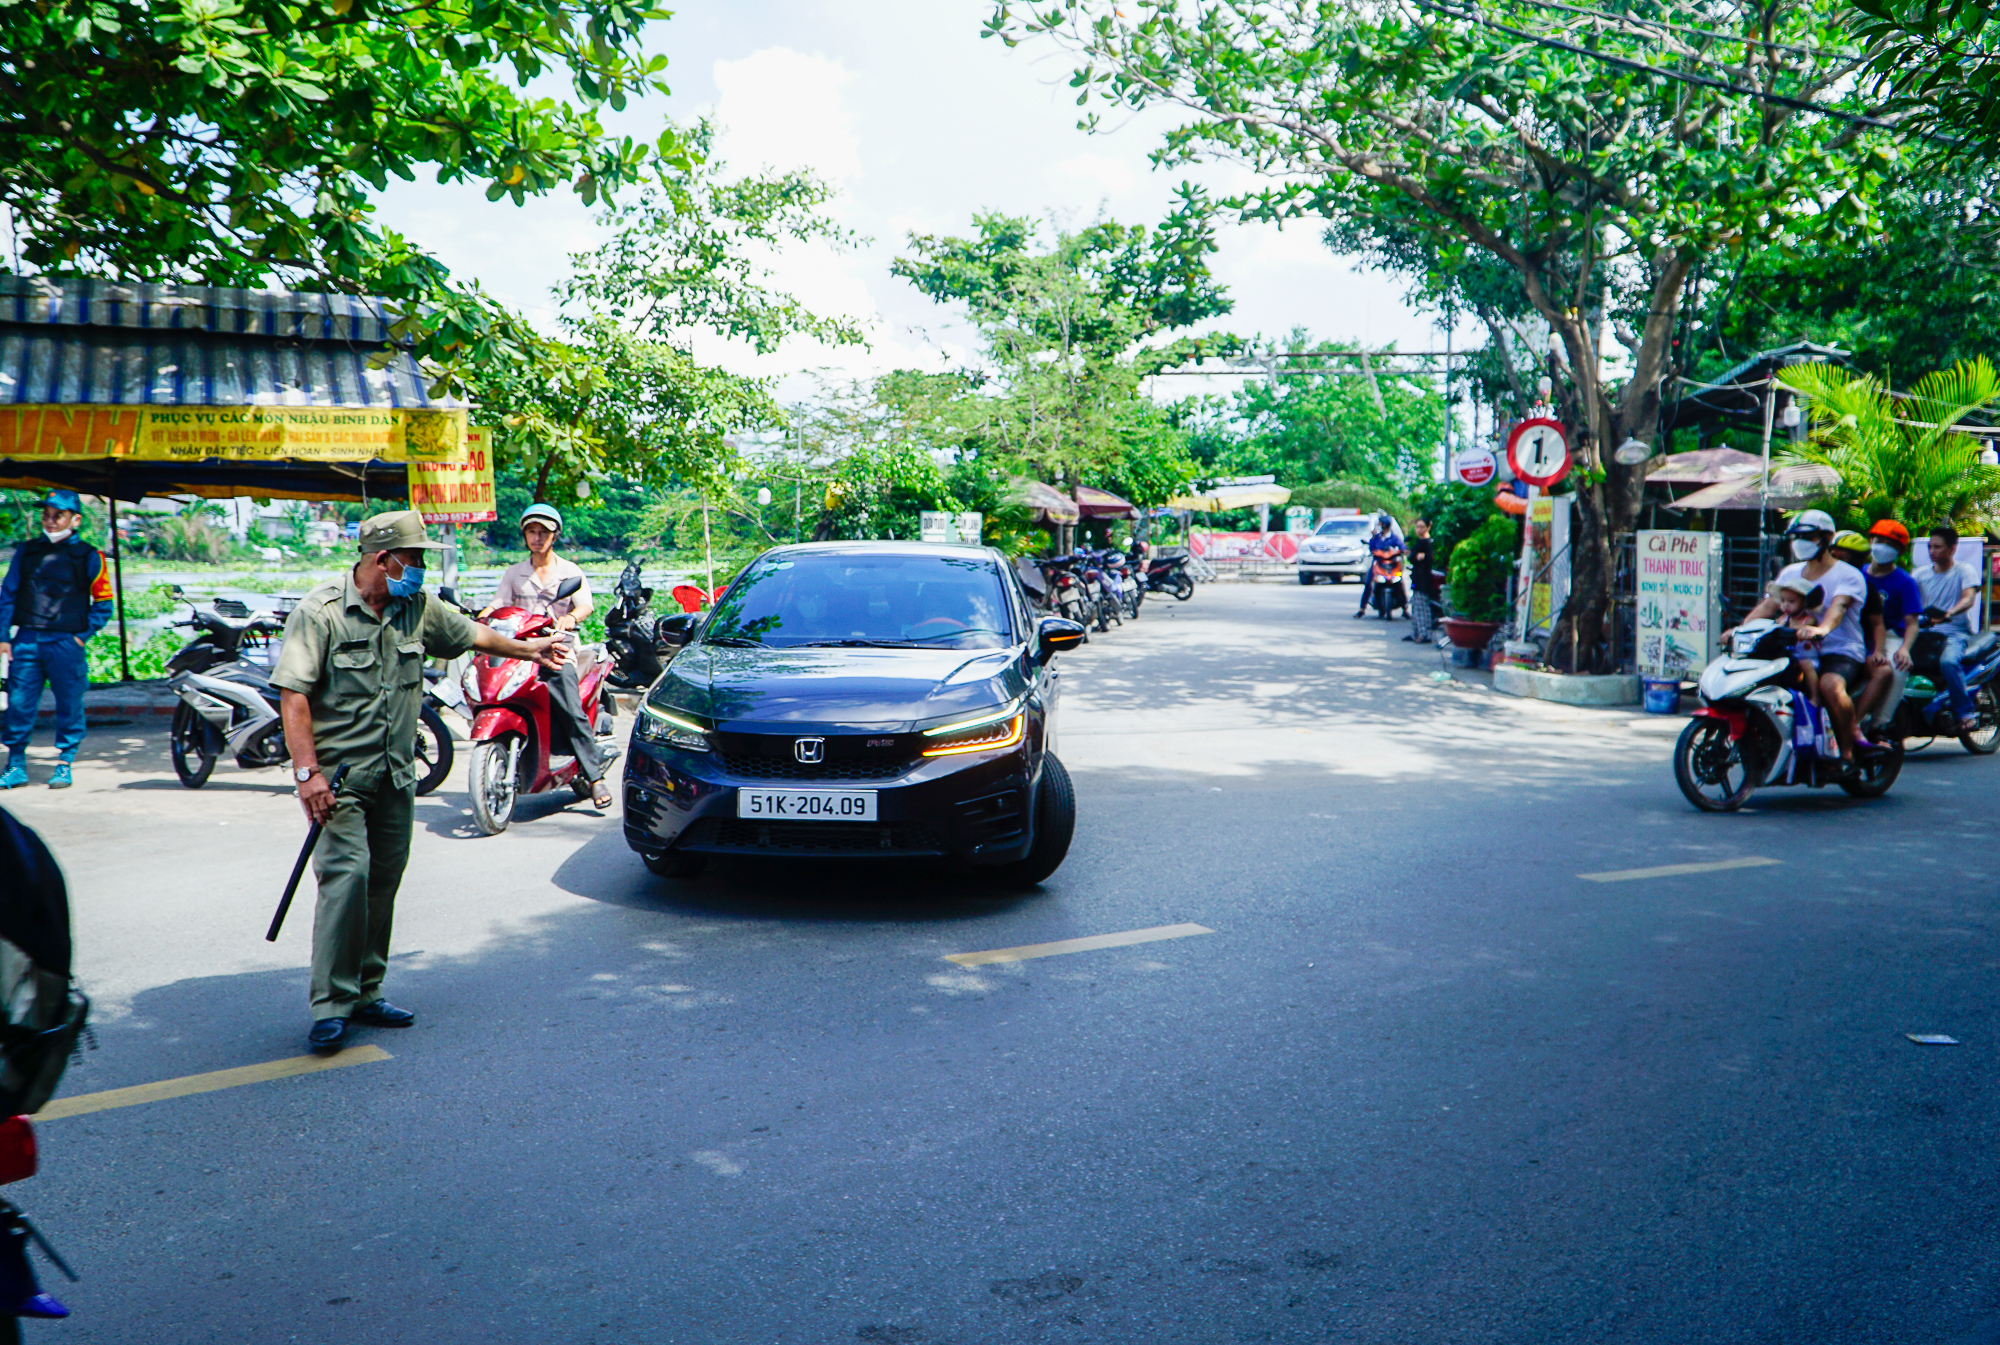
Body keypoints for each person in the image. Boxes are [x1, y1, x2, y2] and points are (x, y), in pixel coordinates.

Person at [273, 510, 569, 1055]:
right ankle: (332, 1004)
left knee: (383, 882)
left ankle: (367, 990)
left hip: (396, 774)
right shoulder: (322, 612)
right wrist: (306, 773)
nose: (421, 567)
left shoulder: (416, 605)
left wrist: (531, 649)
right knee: (346, 880)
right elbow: (293, 695)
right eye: (414, 558)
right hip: (340, 780)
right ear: (381, 558)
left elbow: (471, 633)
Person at [479, 502, 613, 809]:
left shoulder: (569, 571)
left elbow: (585, 605)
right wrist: (476, 618)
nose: (537, 538)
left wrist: (571, 618)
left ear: (555, 536)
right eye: (531, 532)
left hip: (557, 649)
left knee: (570, 707)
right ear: (524, 536)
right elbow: (498, 604)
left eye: (543, 532)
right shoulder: (514, 573)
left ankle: (594, 777)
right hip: (519, 650)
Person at [1736, 509, 1869, 770]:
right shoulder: (1790, 573)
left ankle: (1847, 753)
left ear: (1827, 538)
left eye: (1807, 536)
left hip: (1839, 649)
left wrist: (1821, 630)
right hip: (1792, 649)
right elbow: (1767, 607)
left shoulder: (1848, 575)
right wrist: (1740, 631)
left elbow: (1838, 608)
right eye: (1796, 537)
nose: (1800, 543)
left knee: (1830, 686)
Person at [0, 490, 115, 791]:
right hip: (27, 640)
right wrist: (3, 638)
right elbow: (7, 596)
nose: (50, 521)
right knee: (18, 703)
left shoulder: (90, 556)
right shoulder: (26, 552)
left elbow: (104, 604)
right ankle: (15, 764)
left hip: (66, 642)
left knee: (69, 703)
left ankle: (65, 762)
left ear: (75, 519)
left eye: (58, 515)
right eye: (46, 514)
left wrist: (82, 637)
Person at [1914, 522, 1982, 733]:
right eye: (1930, 547)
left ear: (1952, 549)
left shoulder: (1964, 571)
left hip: (1955, 633)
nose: (1932, 551)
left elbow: (1969, 598)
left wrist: (1949, 614)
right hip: (1924, 632)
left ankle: (1965, 712)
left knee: (1949, 662)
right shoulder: (1919, 575)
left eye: (1938, 547)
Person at [1855, 520, 1923, 728]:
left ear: (1900, 551)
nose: (1883, 546)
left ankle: (1879, 724)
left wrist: (1904, 649)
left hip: (1891, 636)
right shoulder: (1857, 574)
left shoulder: (1905, 582)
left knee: (1897, 669)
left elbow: (1912, 623)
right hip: (1857, 634)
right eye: (1879, 540)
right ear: (1870, 541)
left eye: (1890, 544)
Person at [1774, 575, 1824, 703]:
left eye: (1791, 601)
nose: (1786, 605)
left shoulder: (1808, 619)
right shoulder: (1784, 619)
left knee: (1806, 665)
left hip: (1807, 658)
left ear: (1804, 602)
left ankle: (1815, 696)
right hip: (1789, 656)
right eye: (1783, 601)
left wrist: (1803, 630)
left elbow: (1805, 628)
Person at [1355, 514, 1401, 619]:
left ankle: (1405, 607)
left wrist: (1402, 550)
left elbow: (1401, 546)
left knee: (1400, 581)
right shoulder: (1376, 537)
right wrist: (1372, 537)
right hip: (1379, 564)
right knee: (1368, 583)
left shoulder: (1394, 538)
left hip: (1391, 564)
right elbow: (1371, 548)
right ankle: (1362, 609)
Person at [1402, 518, 1439, 642]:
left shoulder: (1428, 544)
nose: (1419, 530)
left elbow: (1427, 560)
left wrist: (1417, 557)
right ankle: (1416, 632)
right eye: (1417, 527)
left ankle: (1425, 634)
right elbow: (1413, 558)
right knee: (1416, 607)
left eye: (1422, 527)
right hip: (1417, 579)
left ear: (1428, 527)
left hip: (1424, 580)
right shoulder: (1419, 542)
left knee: (1422, 608)